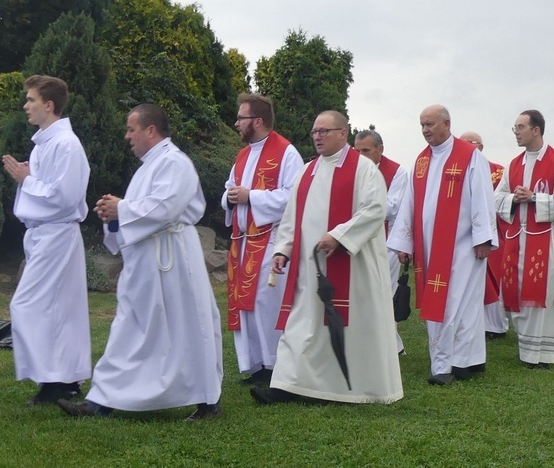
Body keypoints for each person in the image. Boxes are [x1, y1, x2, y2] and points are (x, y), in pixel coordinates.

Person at [57, 104, 224, 420]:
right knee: (130, 326)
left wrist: (123, 209)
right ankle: (100, 401)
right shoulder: (149, 166)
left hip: (174, 261)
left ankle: (207, 401)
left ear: (151, 130)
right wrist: (115, 216)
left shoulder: (174, 162)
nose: (127, 136)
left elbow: (165, 208)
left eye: (131, 129)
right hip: (146, 262)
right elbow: (144, 209)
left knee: (188, 324)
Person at [249, 110, 403, 404]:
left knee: (347, 326)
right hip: (310, 268)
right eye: (315, 132)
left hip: (352, 268)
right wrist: (283, 249)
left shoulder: (364, 170)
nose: (318, 137)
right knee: (301, 324)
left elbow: (374, 209)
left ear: (343, 133)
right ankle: (286, 386)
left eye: (324, 131)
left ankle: (345, 389)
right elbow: (292, 214)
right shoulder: (307, 171)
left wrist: (340, 235)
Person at [388, 105, 497, 385]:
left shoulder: (469, 156)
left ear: (447, 124)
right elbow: (409, 204)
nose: (425, 130)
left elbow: (483, 197)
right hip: (429, 247)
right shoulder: (421, 162)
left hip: (463, 246)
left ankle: (459, 362)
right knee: (447, 303)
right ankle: (451, 363)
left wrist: (483, 237)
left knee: (464, 304)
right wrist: (404, 243)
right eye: (422, 125)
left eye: (430, 124)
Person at [1, 75, 91, 405]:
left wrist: (28, 181)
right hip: (41, 235)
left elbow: (66, 197)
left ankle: (60, 380)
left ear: (48, 105)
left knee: (31, 306)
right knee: (54, 310)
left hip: (57, 234)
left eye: (31, 100)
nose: (26, 105)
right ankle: (57, 382)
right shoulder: (44, 144)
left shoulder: (66, 145)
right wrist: (30, 177)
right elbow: (48, 188)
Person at [221, 94, 303, 385]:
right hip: (242, 242)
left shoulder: (286, 152)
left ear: (257, 121)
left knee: (264, 302)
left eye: (240, 118)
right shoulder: (242, 155)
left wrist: (250, 196)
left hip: (269, 240)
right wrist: (230, 198)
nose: (236, 123)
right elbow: (231, 187)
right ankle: (254, 364)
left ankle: (273, 365)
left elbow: (293, 195)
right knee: (244, 304)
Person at [495, 110, 554, 369]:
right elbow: (496, 198)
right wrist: (513, 199)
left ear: (536, 130)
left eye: (521, 127)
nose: (516, 132)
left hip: (548, 240)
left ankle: (543, 354)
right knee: (518, 293)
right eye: (515, 128)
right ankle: (526, 350)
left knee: (545, 294)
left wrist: (534, 198)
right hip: (517, 240)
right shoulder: (513, 164)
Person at [353, 128, 408, 354]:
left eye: (366, 150)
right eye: (357, 151)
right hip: (357, 239)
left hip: (388, 241)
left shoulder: (397, 172)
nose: (360, 155)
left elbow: (392, 206)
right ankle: (389, 345)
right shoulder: (352, 170)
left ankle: (388, 346)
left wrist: (361, 206)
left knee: (385, 293)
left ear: (380, 149)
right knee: (362, 293)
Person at [459, 131, 508, 340]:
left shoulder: (498, 171)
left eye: (471, 144)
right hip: (463, 232)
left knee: (493, 279)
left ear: (481, 146)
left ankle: (496, 325)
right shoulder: (456, 169)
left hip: (493, 230)